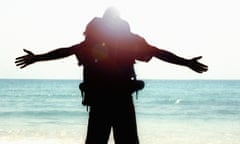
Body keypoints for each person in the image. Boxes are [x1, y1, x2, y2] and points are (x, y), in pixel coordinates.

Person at [15, 7, 208, 144]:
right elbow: (158, 53)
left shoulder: (94, 42)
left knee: (97, 140)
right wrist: (186, 63)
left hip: (100, 102)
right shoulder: (126, 41)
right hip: (121, 101)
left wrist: (37, 58)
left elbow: (65, 51)